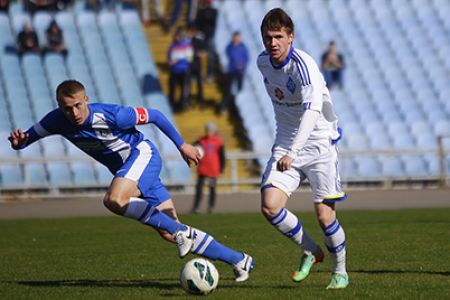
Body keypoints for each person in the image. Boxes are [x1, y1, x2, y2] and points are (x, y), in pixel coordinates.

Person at [8, 80, 254, 282]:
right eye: (66, 108)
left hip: (143, 156)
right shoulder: (55, 120)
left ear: (86, 100)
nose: (73, 113)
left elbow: (155, 115)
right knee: (170, 231)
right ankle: (239, 260)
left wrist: (182, 145)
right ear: (59, 106)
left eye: (77, 105)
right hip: (131, 171)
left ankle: (181, 232)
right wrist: (20, 142)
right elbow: (27, 138)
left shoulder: (113, 115)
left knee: (114, 199)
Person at [257, 9, 348, 289]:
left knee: (324, 215)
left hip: (319, 143)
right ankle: (311, 250)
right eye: (268, 37)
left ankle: (340, 271)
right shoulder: (263, 63)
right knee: (270, 207)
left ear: (291, 36)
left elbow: (311, 111)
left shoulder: (303, 65)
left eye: (278, 37)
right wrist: (288, 148)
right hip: (286, 143)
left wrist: (293, 152)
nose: (273, 43)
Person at [192, 122, 224, 214]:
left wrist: (221, 169)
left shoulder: (218, 141)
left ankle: (211, 207)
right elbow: (193, 146)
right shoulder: (201, 140)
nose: (208, 131)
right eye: (207, 130)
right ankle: (196, 207)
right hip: (203, 168)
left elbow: (222, 156)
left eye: (210, 130)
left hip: (213, 169)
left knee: (212, 188)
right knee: (199, 188)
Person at [220, 31, 249, 113]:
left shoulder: (243, 47)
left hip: (240, 71)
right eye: (235, 37)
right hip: (231, 71)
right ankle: (225, 107)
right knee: (227, 90)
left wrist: (242, 65)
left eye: (238, 37)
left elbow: (246, 58)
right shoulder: (229, 47)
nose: (236, 39)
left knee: (239, 90)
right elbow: (226, 58)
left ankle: (236, 109)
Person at [168, 27, 193, 111]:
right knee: (172, 88)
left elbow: (189, 58)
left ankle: (182, 105)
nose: (176, 37)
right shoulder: (172, 45)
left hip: (183, 70)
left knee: (184, 89)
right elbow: (169, 57)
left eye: (178, 36)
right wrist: (170, 62)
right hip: (174, 70)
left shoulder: (187, 45)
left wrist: (178, 61)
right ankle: (172, 105)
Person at [195, 0, 217, 81]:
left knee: (210, 57)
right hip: (202, 36)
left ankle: (209, 74)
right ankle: (196, 74)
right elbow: (197, 23)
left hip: (210, 36)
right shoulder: (200, 12)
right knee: (197, 56)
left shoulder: (214, 12)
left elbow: (212, 22)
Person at [186, 24, 207, 107]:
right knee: (188, 83)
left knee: (199, 83)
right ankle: (188, 100)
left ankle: (201, 100)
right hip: (188, 64)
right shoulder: (185, 42)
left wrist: (202, 53)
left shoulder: (198, 41)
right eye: (190, 32)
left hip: (197, 64)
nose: (191, 33)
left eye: (192, 32)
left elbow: (204, 50)